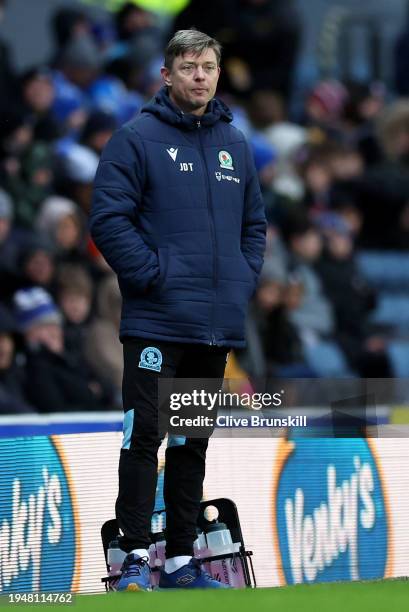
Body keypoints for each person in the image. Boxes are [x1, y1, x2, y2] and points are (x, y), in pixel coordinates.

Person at [90, 29, 266, 591]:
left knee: (193, 442)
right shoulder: (135, 138)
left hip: (213, 326)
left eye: (209, 66)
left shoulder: (235, 144)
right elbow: (108, 221)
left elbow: (254, 226)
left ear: (218, 74)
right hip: (156, 322)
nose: (200, 76)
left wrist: (239, 280)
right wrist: (152, 277)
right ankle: (134, 560)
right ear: (166, 75)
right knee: (145, 438)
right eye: (189, 66)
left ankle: (182, 561)